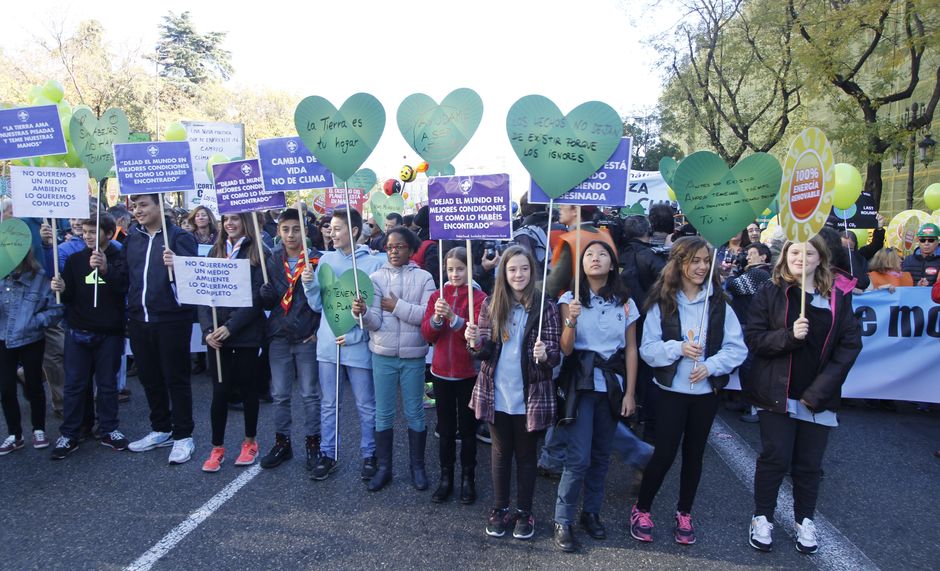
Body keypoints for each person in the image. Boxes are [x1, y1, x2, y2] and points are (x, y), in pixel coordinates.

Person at [743, 237, 862, 555]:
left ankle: (804, 520)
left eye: (809, 252)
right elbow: (754, 340)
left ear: (820, 258)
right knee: (775, 458)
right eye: (794, 251)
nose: (801, 257)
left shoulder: (837, 297)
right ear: (784, 256)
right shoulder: (770, 291)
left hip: (817, 398)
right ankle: (762, 517)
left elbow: (849, 346)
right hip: (776, 393)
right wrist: (788, 337)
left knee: (809, 466)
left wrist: (818, 392)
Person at [631, 237, 747, 545]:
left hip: (705, 395)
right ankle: (642, 508)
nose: (701, 267)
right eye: (694, 260)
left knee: (694, 456)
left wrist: (711, 366)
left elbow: (737, 349)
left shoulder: (719, 303)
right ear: (679, 263)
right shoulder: (663, 301)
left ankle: (685, 512)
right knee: (664, 454)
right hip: (669, 392)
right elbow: (648, 350)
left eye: (706, 261)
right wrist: (678, 348)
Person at [465, 246, 561, 541]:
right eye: (512, 269)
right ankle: (499, 508)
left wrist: (546, 354)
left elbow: (556, 355)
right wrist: (474, 342)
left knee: (526, 454)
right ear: (503, 274)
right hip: (496, 390)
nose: (518, 274)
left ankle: (525, 511)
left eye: (524, 269)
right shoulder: (492, 304)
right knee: (500, 451)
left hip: (530, 393)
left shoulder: (546, 305)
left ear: (533, 271)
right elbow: (483, 351)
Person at [552, 241, 640, 552]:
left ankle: (591, 513)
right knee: (578, 457)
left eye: (602, 254)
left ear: (612, 264)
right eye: (589, 254)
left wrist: (630, 391)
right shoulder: (570, 298)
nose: (595, 259)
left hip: (612, 384)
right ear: (581, 264)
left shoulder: (626, 302)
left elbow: (630, 348)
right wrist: (570, 320)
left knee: (602, 455)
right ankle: (562, 519)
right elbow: (565, 348)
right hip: (582, 384)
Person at [302, 207, 385, 482]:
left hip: (358, 345)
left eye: (337, 228)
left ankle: (369, 454)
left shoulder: (374, 263)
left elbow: (375, 310)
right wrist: (309, 285)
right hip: (328, 345)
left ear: (354, 231)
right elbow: (316, 305)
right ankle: (328, 453)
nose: (330, 232)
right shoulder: (324, 260)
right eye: (329, 227)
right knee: (329, 403)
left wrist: (356, 335)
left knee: (365, 404)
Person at [124, 194, 199, 464]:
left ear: (159, 207)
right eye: (134, 207)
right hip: (139, 318)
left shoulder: (180, 237)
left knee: (175, 378)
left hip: (171, 319)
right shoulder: (133, 237)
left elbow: (194, 279)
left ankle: (183, 435)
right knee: (149, 377)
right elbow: (125, 276)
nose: (137, 211)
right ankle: (161, 428)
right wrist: (105, 268)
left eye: (143, 205)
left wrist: (178, 265)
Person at [360, 227, 436, 492]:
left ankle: (418, 468)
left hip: (414, 356)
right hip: (382, 354)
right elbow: (374, 321)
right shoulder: (375, 278)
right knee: (384, 414)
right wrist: (360, 313)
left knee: (415, 413)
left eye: (399, 246)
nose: (393, 251)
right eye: (389, 247)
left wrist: (397, 307)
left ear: (411, 249)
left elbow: (426, 317)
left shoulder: (425, 278)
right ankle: (384, 468)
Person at [49, 214, 129, 458]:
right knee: (74, 385)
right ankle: (70, 433)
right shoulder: (74, 260)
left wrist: (105, 270)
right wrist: (61, 290)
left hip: (110, 332)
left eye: (93, 232)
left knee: (107, 384)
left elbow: (125, 287)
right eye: (84, 232)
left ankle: (108, 429)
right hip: (78, 331)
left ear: (107, 233)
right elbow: (70, 296)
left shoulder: (120, 257)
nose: (87, 236)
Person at [198, 213, 266, 472]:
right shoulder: (215, 251)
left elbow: (257, 297)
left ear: (246, 222)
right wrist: (207, 330)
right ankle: (217, 447)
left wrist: (230, 327)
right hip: (217, 338)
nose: (229, 224)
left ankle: (250, 441)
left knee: (249, 390)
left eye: (235, 219)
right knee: (220, 392)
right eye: (225, 219)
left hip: (245, 334)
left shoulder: (257, 252)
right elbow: (201, 293)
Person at [258, 209, 323, 471]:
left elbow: (325, 299)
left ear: (305, 231)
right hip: (279, 336)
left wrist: (318, 329)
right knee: (281, 394)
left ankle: (313, 444)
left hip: (306, 336)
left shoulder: (318, 260)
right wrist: (264, 295)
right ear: (278, 232)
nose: (291, 235)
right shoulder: (271, 260)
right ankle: (282, 443)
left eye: (296, 229)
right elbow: (269, 301)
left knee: (309, 394)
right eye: (285, 230)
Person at [421, 247, 486, 504]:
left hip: (468, 373)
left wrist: (454, 319)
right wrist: (437, 319)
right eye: (450, 269)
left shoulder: (479, 298)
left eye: (460, 268)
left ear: (470, 269)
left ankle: (468, 478)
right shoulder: (437, 295)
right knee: (445, 430)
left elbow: (476, 340)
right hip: (440, 373)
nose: (455, 274)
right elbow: (427, 335)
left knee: (468, 431)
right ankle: (445, 477)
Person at [0, 250, 61, 455]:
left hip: (31, 339)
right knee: (6, 388)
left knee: (34, 384)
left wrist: (34, 322)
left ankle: (39, 429)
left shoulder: (39, 277)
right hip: (3, 338)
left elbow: (55, 309)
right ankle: (14, 434)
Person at [545, 205, 616, 298]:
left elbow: (553, 286)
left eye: (564, 204)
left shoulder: (572, 239)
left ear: (575, 210)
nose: (560, 208)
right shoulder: (605, 235)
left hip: (577, 303)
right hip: (607, 300)